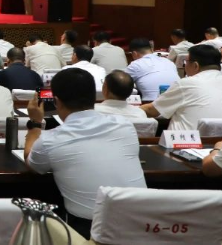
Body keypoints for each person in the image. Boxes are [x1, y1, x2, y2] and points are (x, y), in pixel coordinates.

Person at [24, 68, 146, 239]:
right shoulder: (125, 125)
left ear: (57, 101)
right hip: (142, 224)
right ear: (95, 96)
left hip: (89, 229)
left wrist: (35, 123)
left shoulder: (51, 139)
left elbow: (32, 163)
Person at [140, 44, 222, 130]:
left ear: (195, 65)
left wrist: (132, 110)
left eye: (186, 62)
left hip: (188, 139)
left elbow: (152, 111)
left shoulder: (187, 83)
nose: (185, 65)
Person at [124, 37, 179, 102]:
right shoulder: (169, 62)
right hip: (178, 101)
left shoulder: (135, 65)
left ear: (134, 53)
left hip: (152, 103)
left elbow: (120, 83)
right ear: (152, 50)